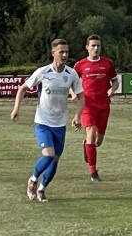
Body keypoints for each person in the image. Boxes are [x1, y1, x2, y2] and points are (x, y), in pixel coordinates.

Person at [10, 39, 84, 202]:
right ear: (53, 53)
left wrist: (78, 116)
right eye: (61, 52)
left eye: (66, 52)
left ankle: (42, 189)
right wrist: (16, 108)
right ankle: (33, 180)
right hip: (42, 122)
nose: (64, 55)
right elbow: (22, 88)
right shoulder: (43, 72)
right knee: (49, 155)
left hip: (60, 124)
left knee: (55, 159)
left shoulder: (71, 74)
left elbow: (80, 96)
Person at [73, 35, 119, 182]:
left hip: (104, 106)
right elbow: (71, 81)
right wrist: (73, 94)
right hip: (88, 106)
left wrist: (112, 89)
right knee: (91, 133)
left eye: (98, 45)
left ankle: (87, 145)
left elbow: (115, 81)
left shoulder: (107, 63)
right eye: (93, 45)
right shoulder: (80, 65)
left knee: (98, 142)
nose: (96, 48)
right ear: (87, 47)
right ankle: (93, 172)